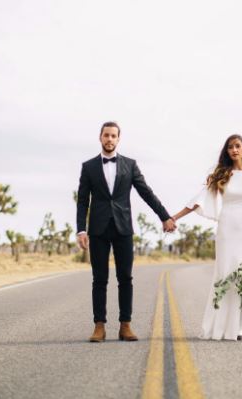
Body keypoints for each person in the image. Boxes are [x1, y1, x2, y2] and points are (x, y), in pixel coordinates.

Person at [76, 121, 176, 342]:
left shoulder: (130, 165)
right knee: (99, 279)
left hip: (123, 228)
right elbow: (82, 201)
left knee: (125, 278)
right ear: (100, 138)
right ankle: (99, 327)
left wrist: (165, 216)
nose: (109, 139)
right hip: (98, 229)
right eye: (106, 135)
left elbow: (146, 192)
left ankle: (125, 326)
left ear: (118, 139)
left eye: (113, 136)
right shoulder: (89, 167)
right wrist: (81, 230)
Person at [172, 134, 242, 341]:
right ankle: (224, 326)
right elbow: (199, 200)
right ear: (227, 151)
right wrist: (174, 217)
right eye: (230, 147)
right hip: (226, 227)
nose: (234, 150)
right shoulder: (222, 174)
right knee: (226, 274)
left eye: (238, 146)